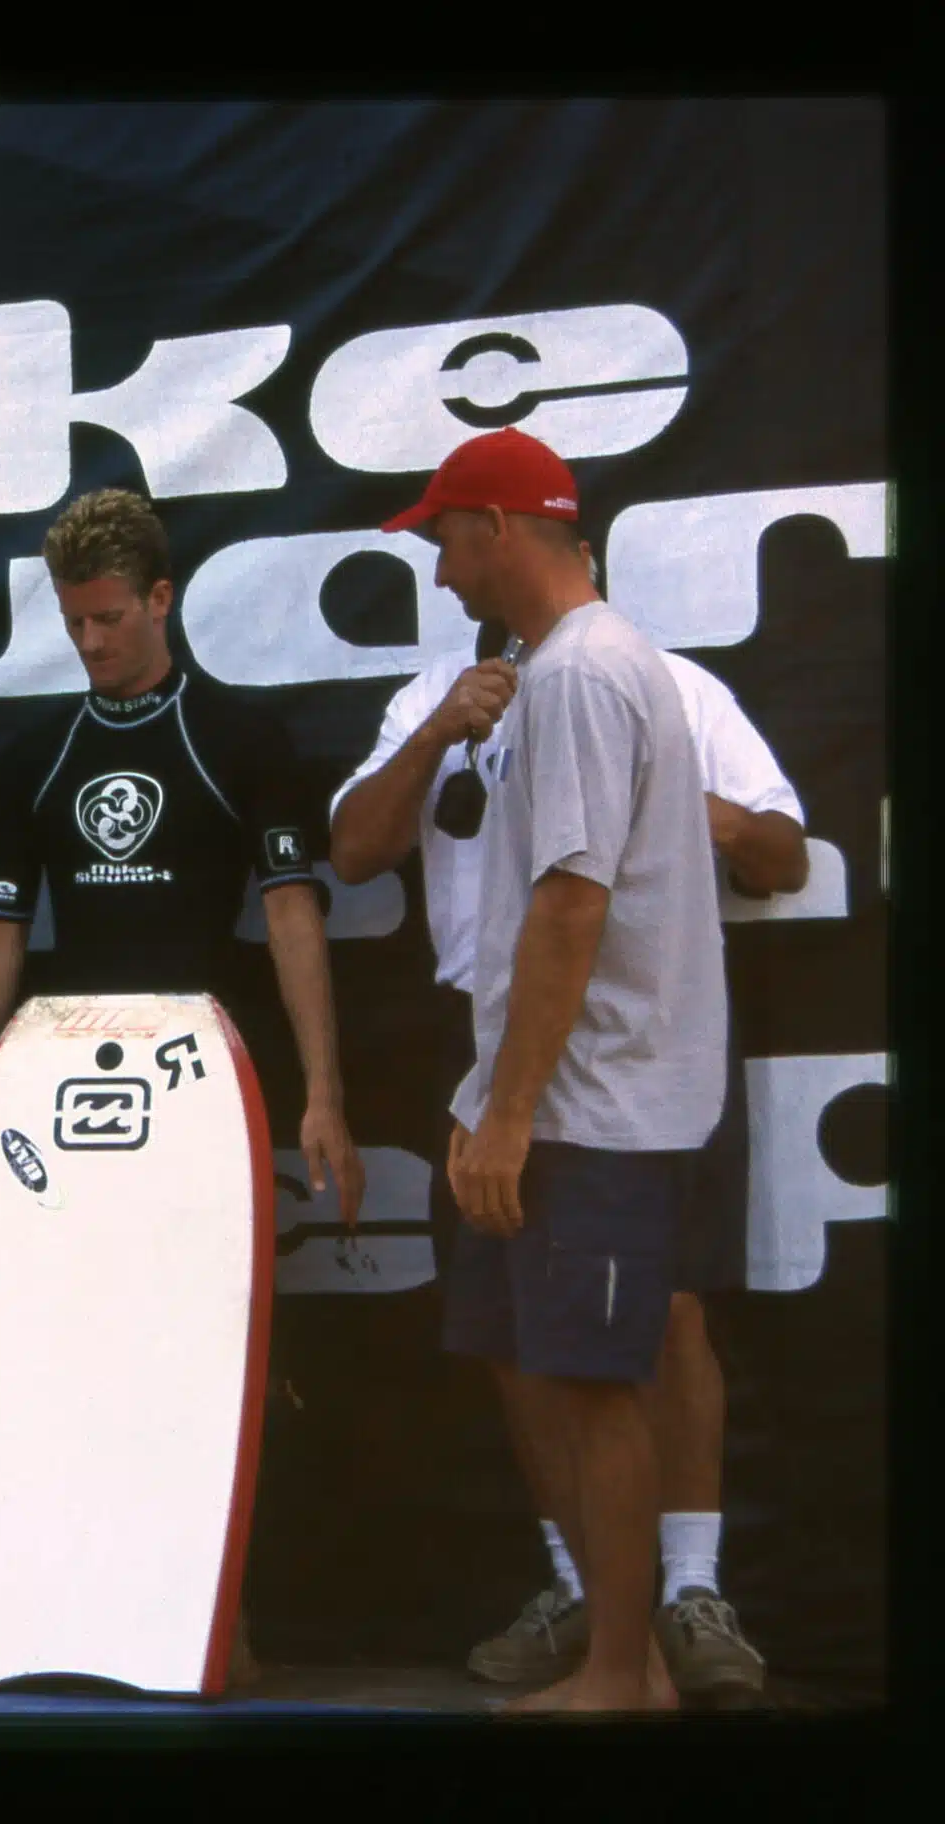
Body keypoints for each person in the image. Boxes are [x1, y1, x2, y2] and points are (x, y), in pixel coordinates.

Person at [331, 516, 805, 1703]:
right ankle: (600, 1605)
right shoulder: (440, 694)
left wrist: (669, 809)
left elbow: (781, 856)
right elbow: (349, 853)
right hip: (491, 1032)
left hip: (630, 1041)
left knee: (661, 1320)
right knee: (521, 1337)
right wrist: (441, 731)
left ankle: (681, 1595)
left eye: (454, 540)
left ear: (530, 542)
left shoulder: (645, 681)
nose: (444, 570)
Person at [0, 487, 366, 1685]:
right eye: (74, 622)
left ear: (162, 599)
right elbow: (0, 938)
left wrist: (323, 1093)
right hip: (60, 1069)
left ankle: (214, 1608)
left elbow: (292, 921)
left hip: (201, 1073)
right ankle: (69, 1597)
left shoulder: (241, 740)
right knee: (71, 1346)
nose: (92, 642)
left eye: (111, 617)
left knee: (204, 1351)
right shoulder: (41, 755)